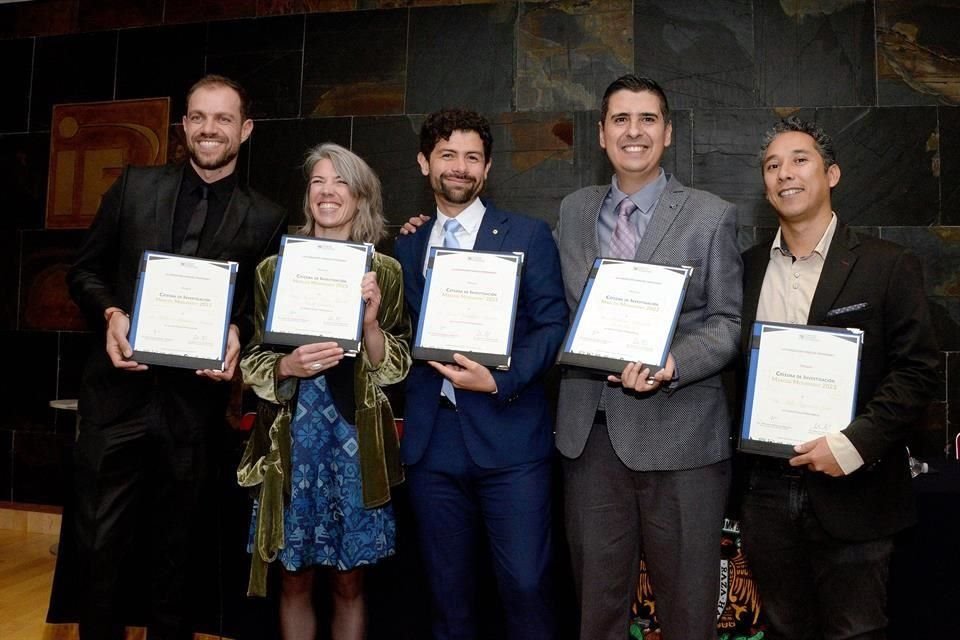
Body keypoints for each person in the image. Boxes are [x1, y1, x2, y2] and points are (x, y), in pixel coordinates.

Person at [64, 74, 287, 639]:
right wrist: (112, 314)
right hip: (117, 400)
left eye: (223, 119)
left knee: (178, 558)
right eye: (198, 117)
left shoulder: (266, 216)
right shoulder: (134, 187)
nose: (209, 129)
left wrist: (238, 331)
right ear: (184, 124)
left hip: (194, 411)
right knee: (100, 551)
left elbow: (259, 308)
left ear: (246, 129)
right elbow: (83, 270)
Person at [553, 75, 742, 640]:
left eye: (647, 119)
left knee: (688, 612)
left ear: (667, 133)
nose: (633, 131)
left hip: (682, 437)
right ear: (602, 135)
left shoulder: (712, 214)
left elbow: (728, 321)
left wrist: (673, 364)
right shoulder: (572, 210)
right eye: (620, 119)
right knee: (597, 611)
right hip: (590, 438)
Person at [737, 117, 940, 639]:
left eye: (799, 160)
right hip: (766, 492)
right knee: (783, 629)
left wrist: (853, 445)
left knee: (857, 631)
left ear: (832, 174)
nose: (785, 173)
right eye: (772, 165)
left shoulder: (887, 264)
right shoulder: (745, 269)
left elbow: (917, 369)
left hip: (857, 489)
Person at [393, 108, 567, 640]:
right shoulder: (405, 246)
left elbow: (552, 322)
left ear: (487, 168)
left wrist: (500, 380)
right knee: (447, 596)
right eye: (448, 155)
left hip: (510, 436)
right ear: (426, 163)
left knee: (525, 586)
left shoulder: (529, 235)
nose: (460, 167)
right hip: (432, 441)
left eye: (472, 157)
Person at [237, 142, 410, 640]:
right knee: (292, 580)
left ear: (361, 197)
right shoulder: (274, 269)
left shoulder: (386, 272)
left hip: (355, 448)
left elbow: (395, 369)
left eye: (341, 182)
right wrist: (286, 364)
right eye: (318, 182)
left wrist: (373, 326)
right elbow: (252, 360)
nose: (328, 191)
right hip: (290, 445)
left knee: (349, 583)